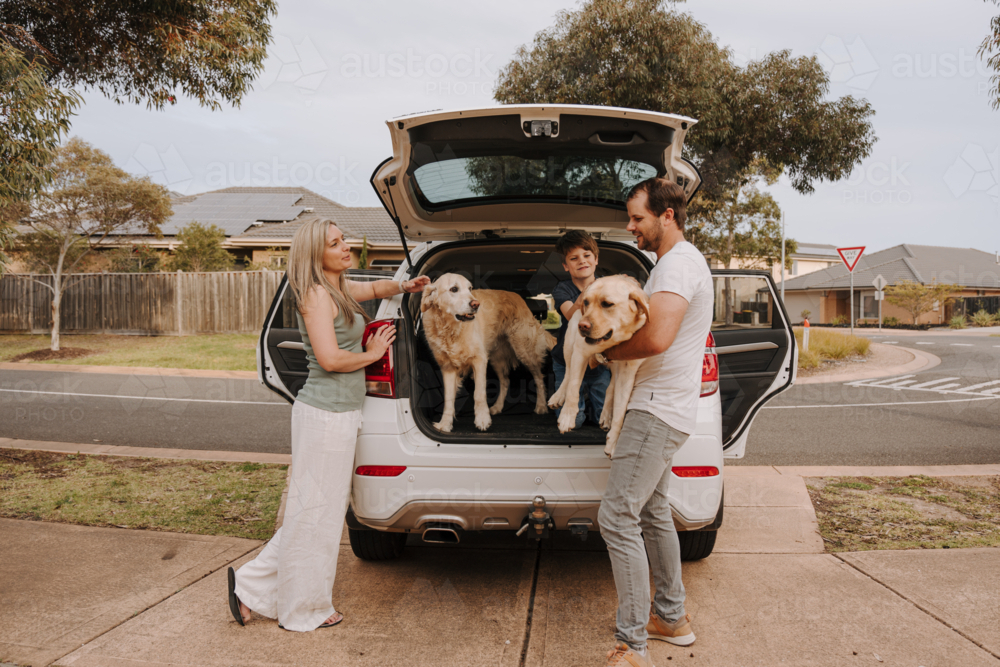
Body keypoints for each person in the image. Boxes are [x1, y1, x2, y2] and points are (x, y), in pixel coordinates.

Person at [226, 216, 429, 632]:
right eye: (335, 244)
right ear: (315, 254)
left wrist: (403, 286)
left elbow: (373, 288)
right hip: (324, 416)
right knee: (315, 515)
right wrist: (372, 355)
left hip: (340, 414)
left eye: (343, 240)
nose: (345, 248)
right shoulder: (316, 295)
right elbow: (330, 360)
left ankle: (250, 588)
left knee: (316, 512)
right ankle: (303, 609)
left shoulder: (337, 287)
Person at [596, 179, 713, 667]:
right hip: (669, 406)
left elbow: (656, 339)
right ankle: (670, 618)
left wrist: (605, 351)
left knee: (616, 516)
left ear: (667, 215)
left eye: (637, 218)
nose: (630, 226)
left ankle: (632, 645)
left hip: (656, 409)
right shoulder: (676, 263)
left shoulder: (677, 265)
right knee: (652, 512)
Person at [551, 230, 612, 428]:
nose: (582, 261)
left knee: (603, 419)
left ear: (596, 259)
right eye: (574, 258)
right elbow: (571, 316)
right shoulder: (563, 289)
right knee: (574, 422)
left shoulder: (609, 287)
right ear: (566, 266)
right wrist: (588, 294)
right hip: (566, 362)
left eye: (587, 256)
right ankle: (577, 405)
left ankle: (588, 405)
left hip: (598, 362)